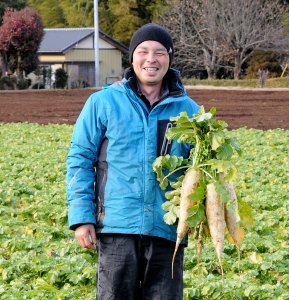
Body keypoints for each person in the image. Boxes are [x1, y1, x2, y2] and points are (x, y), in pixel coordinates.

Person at [66, 23, 200, 300]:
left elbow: (200, 171)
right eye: (143, 51)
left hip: (168, 230)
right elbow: (80, 159)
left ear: (170, 58)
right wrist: (82, 218)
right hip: (117, 227)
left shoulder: (190, 112)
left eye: (160, 52)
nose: (151, 59)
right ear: (132, 58)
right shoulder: (102, 103)